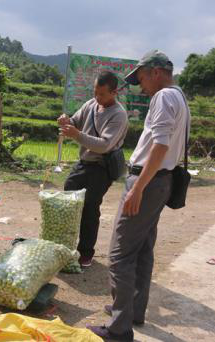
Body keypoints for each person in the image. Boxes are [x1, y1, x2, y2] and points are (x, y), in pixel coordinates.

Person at [87, 50, 191, 341]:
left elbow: (159, 146)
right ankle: (133, 310)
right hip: (162, 181)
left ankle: (120, 329)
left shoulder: (163, 97)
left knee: (120, 255)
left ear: (156, 72)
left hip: (148, 181)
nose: (141, 86)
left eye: (142, 78)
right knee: (143, 248)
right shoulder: (179, 96)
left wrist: (137, 187)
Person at [58, 70, 129, 268]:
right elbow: (75, 120)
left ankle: (85, 253)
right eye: (95, 92)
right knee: (69, 198)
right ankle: (66, 245)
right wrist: (66, 121)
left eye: (102, 94)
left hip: (101, 167)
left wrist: (76, 134)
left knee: (90, 208)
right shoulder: (91, 104)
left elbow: (104, 145)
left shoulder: (119, 115)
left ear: (114, 93)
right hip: (83, 163)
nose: (98, 97)